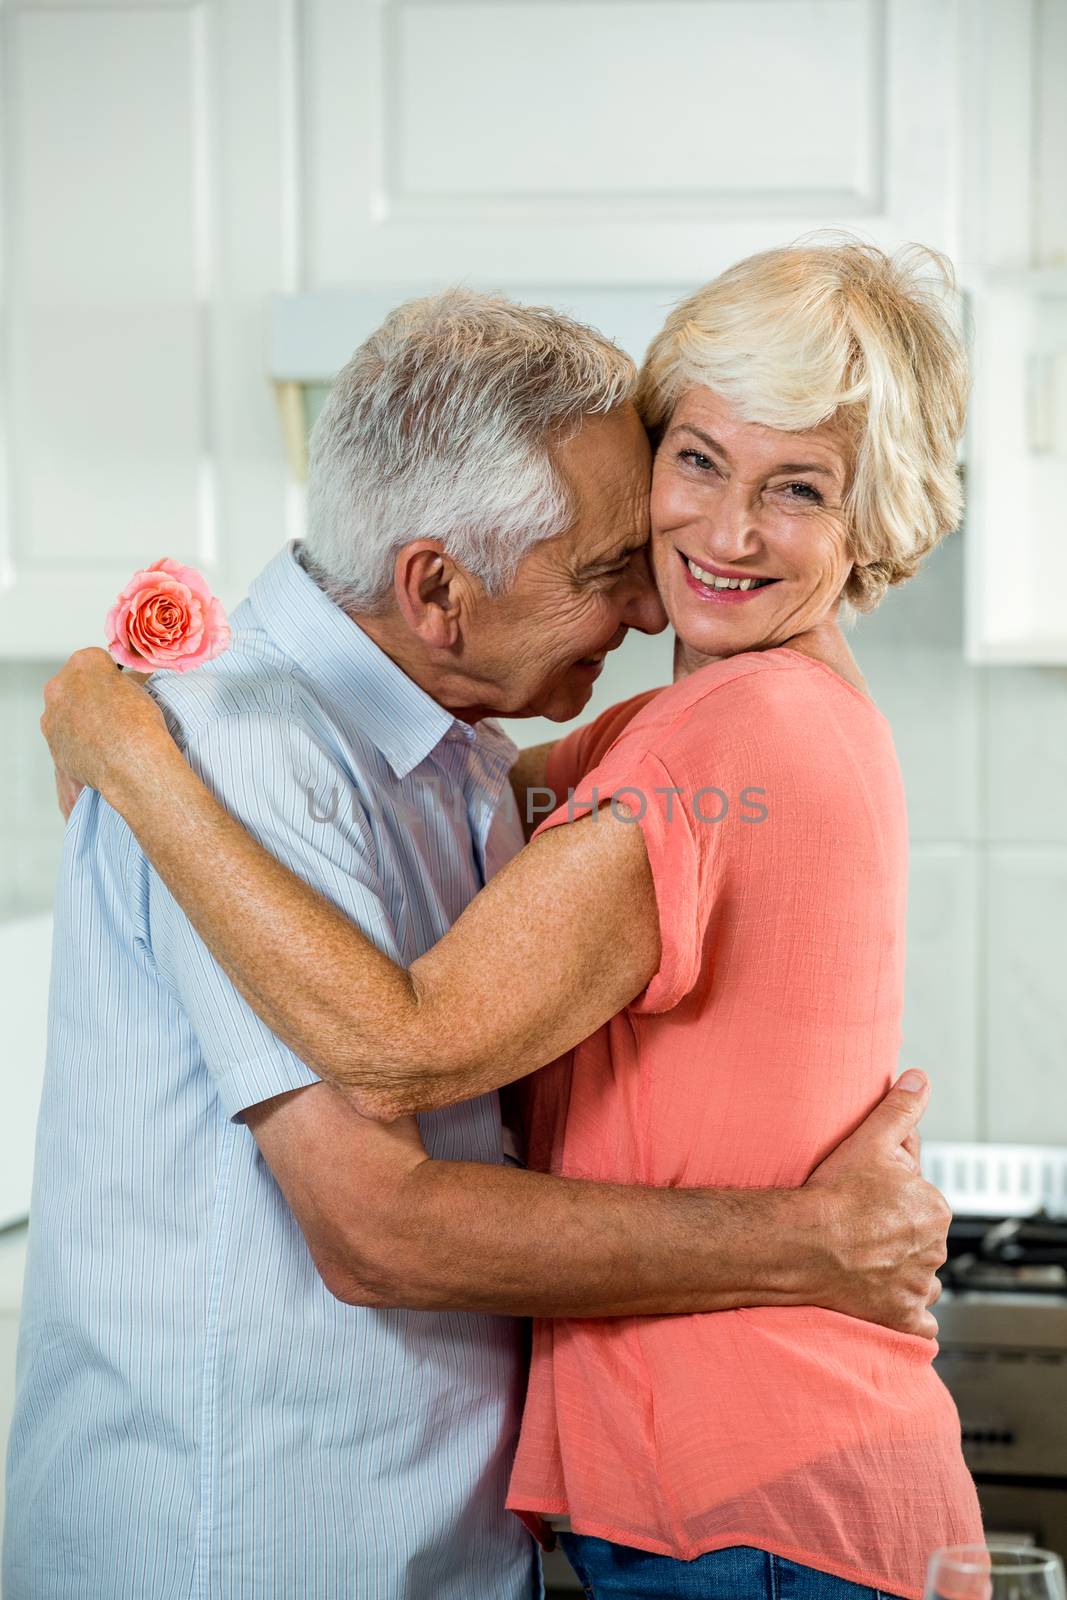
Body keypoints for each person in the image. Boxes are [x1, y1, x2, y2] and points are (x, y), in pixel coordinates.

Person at [29, 274, 956, 1600]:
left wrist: (128, 744)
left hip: (713, 1502)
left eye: (800, 487)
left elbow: (404, 1047)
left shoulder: (702, 732)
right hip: (267, 1546)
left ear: (871, 522)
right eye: (614, 556)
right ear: (438, 593)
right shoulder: (285, 750)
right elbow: (382, 1223)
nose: (651, 601)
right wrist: (135, 737)